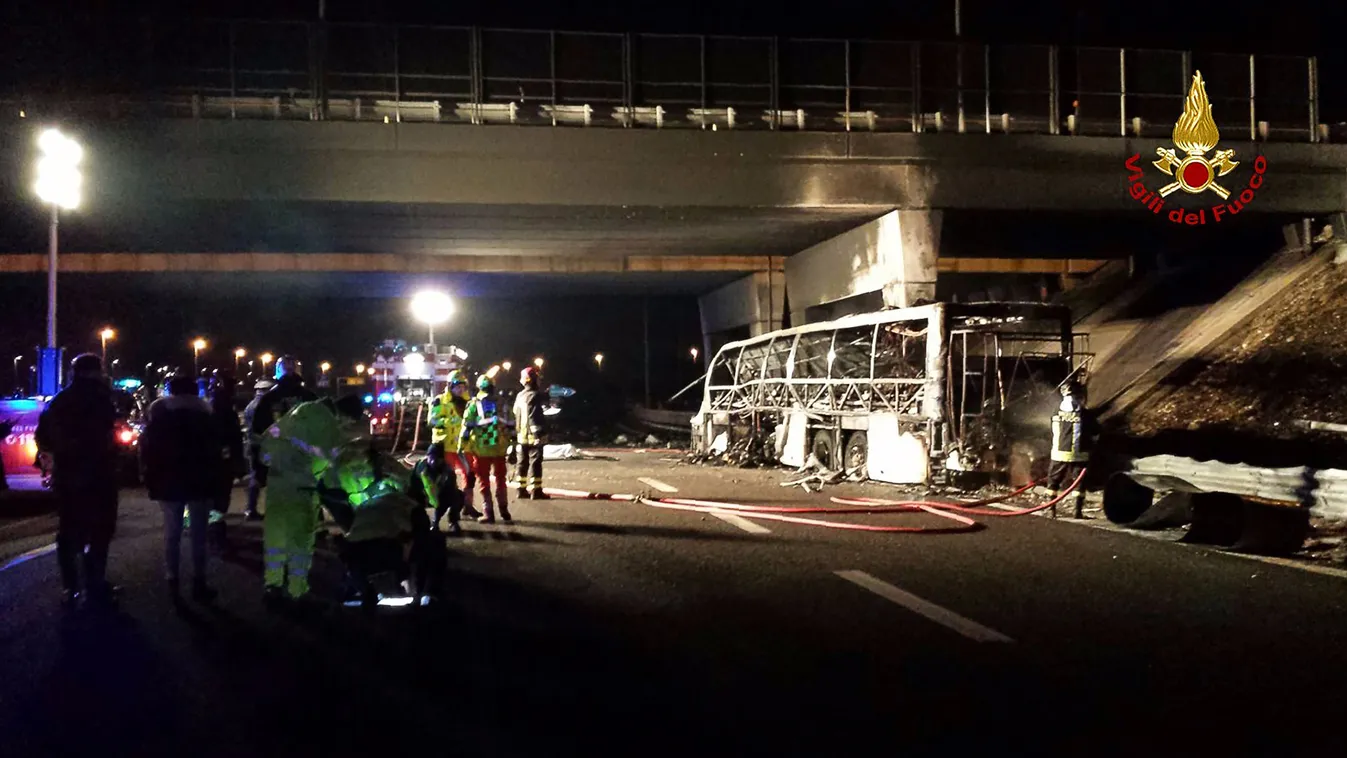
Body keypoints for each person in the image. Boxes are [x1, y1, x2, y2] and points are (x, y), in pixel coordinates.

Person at [34, 353, 121, 609]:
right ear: (95, 371)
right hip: (99, 473)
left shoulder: (59, 401)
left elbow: (43, 437)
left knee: (69, 530)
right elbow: (108, 435)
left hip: (68, 474)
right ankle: (95, 582)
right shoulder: (101, 397)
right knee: (100, 531)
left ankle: (70, 586)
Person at [141, 374, 220, 603]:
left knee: (172, 533)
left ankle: (172, 579)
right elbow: (215, 452)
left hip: (168, 480)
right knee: (198, 534)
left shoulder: (159, 415)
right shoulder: (206, 415)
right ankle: (199, 581)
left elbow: (147, 450)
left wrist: (149, 476)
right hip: (200, 480)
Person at [258, 397, 344, 606]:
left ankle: (273, 585)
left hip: (277, 486)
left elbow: (264, 454)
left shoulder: (289, 419)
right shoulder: (327, 422)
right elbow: (333, 462)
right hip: (303, 488)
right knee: (300, 542)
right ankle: (297, 590)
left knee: (275, 538)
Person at [246, 358, 317, 521]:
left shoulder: (268, 399)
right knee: (307, 494)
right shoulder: (309, 397)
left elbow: (258, 430)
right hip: (303, 455)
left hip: (278, 457)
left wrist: (259, 460)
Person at [428, 370, 483, 520]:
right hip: (446, 447)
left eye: (463, 386)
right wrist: (448, 422)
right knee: (448, 480)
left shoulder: (469, 403)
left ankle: (468, 506)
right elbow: (432, 421)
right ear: (450, 386)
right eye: (457, 386)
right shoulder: (439, 401)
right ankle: (449, 511)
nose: (460, 389)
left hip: (464, 447)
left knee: (470, 476)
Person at [460, 374, 513, 523]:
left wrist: (461, 447)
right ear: (493, 387)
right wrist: (513, 447)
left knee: (484, 481)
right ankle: (504, 510)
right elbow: (512, 425)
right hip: (500, 448)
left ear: (479, 387)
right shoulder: (503, 403)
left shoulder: (474, 404)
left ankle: (488, 512)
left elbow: (466, 427)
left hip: (481, 449)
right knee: (501, 479)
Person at [207, 370, 245, 544]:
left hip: (213, 459)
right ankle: (214, 527)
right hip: (222, 460)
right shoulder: (225, 410)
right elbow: (234, 437)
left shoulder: (210, 406)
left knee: (215, 495)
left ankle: (209, 525)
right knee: (220, 495)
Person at [1047, 379, 1092, 519]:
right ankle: (1077, 511)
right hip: (1079, 456)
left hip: (1058, 455)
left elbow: (1052, 430)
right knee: (1079, 485)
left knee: (1053, 482)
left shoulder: (1055, 412)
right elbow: (1095, 431)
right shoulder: (1085, 414)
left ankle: (1051, 510)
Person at [409, 442, 464, 534]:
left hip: (438, 495)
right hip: (422, 495)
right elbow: (413, 485)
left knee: (458, 496)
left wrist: (437, 514)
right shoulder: (420, 466)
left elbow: (450, 489)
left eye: (436, 458)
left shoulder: (448, 471)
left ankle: (452, 521)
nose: (433, 461)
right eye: (431, 457)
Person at [513, 367, 550, 500]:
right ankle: (536, 491)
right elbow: (534, 417)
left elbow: (515, 414)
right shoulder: (535, 396)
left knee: (522, 463)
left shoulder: (520, 396)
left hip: (521, 436)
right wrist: (538, 435)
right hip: (534, 437)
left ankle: (521, 490)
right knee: (535, 463)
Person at [241, 378, 273, 520]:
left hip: (252, 445)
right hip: (263, 445)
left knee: (256, 476)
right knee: (264, 477)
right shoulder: (264, 406)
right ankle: (252, 509)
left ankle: (250, 508)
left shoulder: (250, 405)